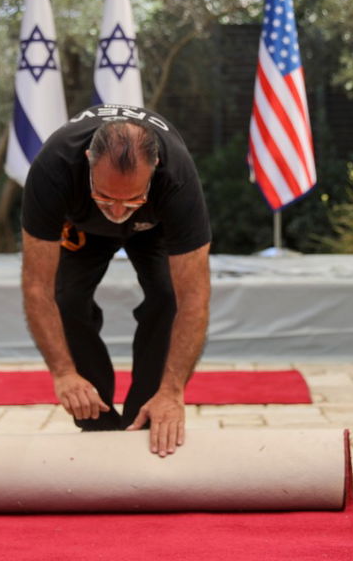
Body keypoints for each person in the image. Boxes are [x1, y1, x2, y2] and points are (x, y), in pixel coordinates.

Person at [20, 104, 211, 457]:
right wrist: (63, 373)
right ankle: (96, 418)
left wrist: (173, 391)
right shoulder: (54, 167)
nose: (119, 212)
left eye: (131, 198)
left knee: (167, 298)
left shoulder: (178, 176)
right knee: (67, 299)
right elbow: (37, 288)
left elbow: (194, 298)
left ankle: (149, 416)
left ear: (155, 169)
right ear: (89, 159)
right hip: (82, 225)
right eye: (108, 196)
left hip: (152, 227)